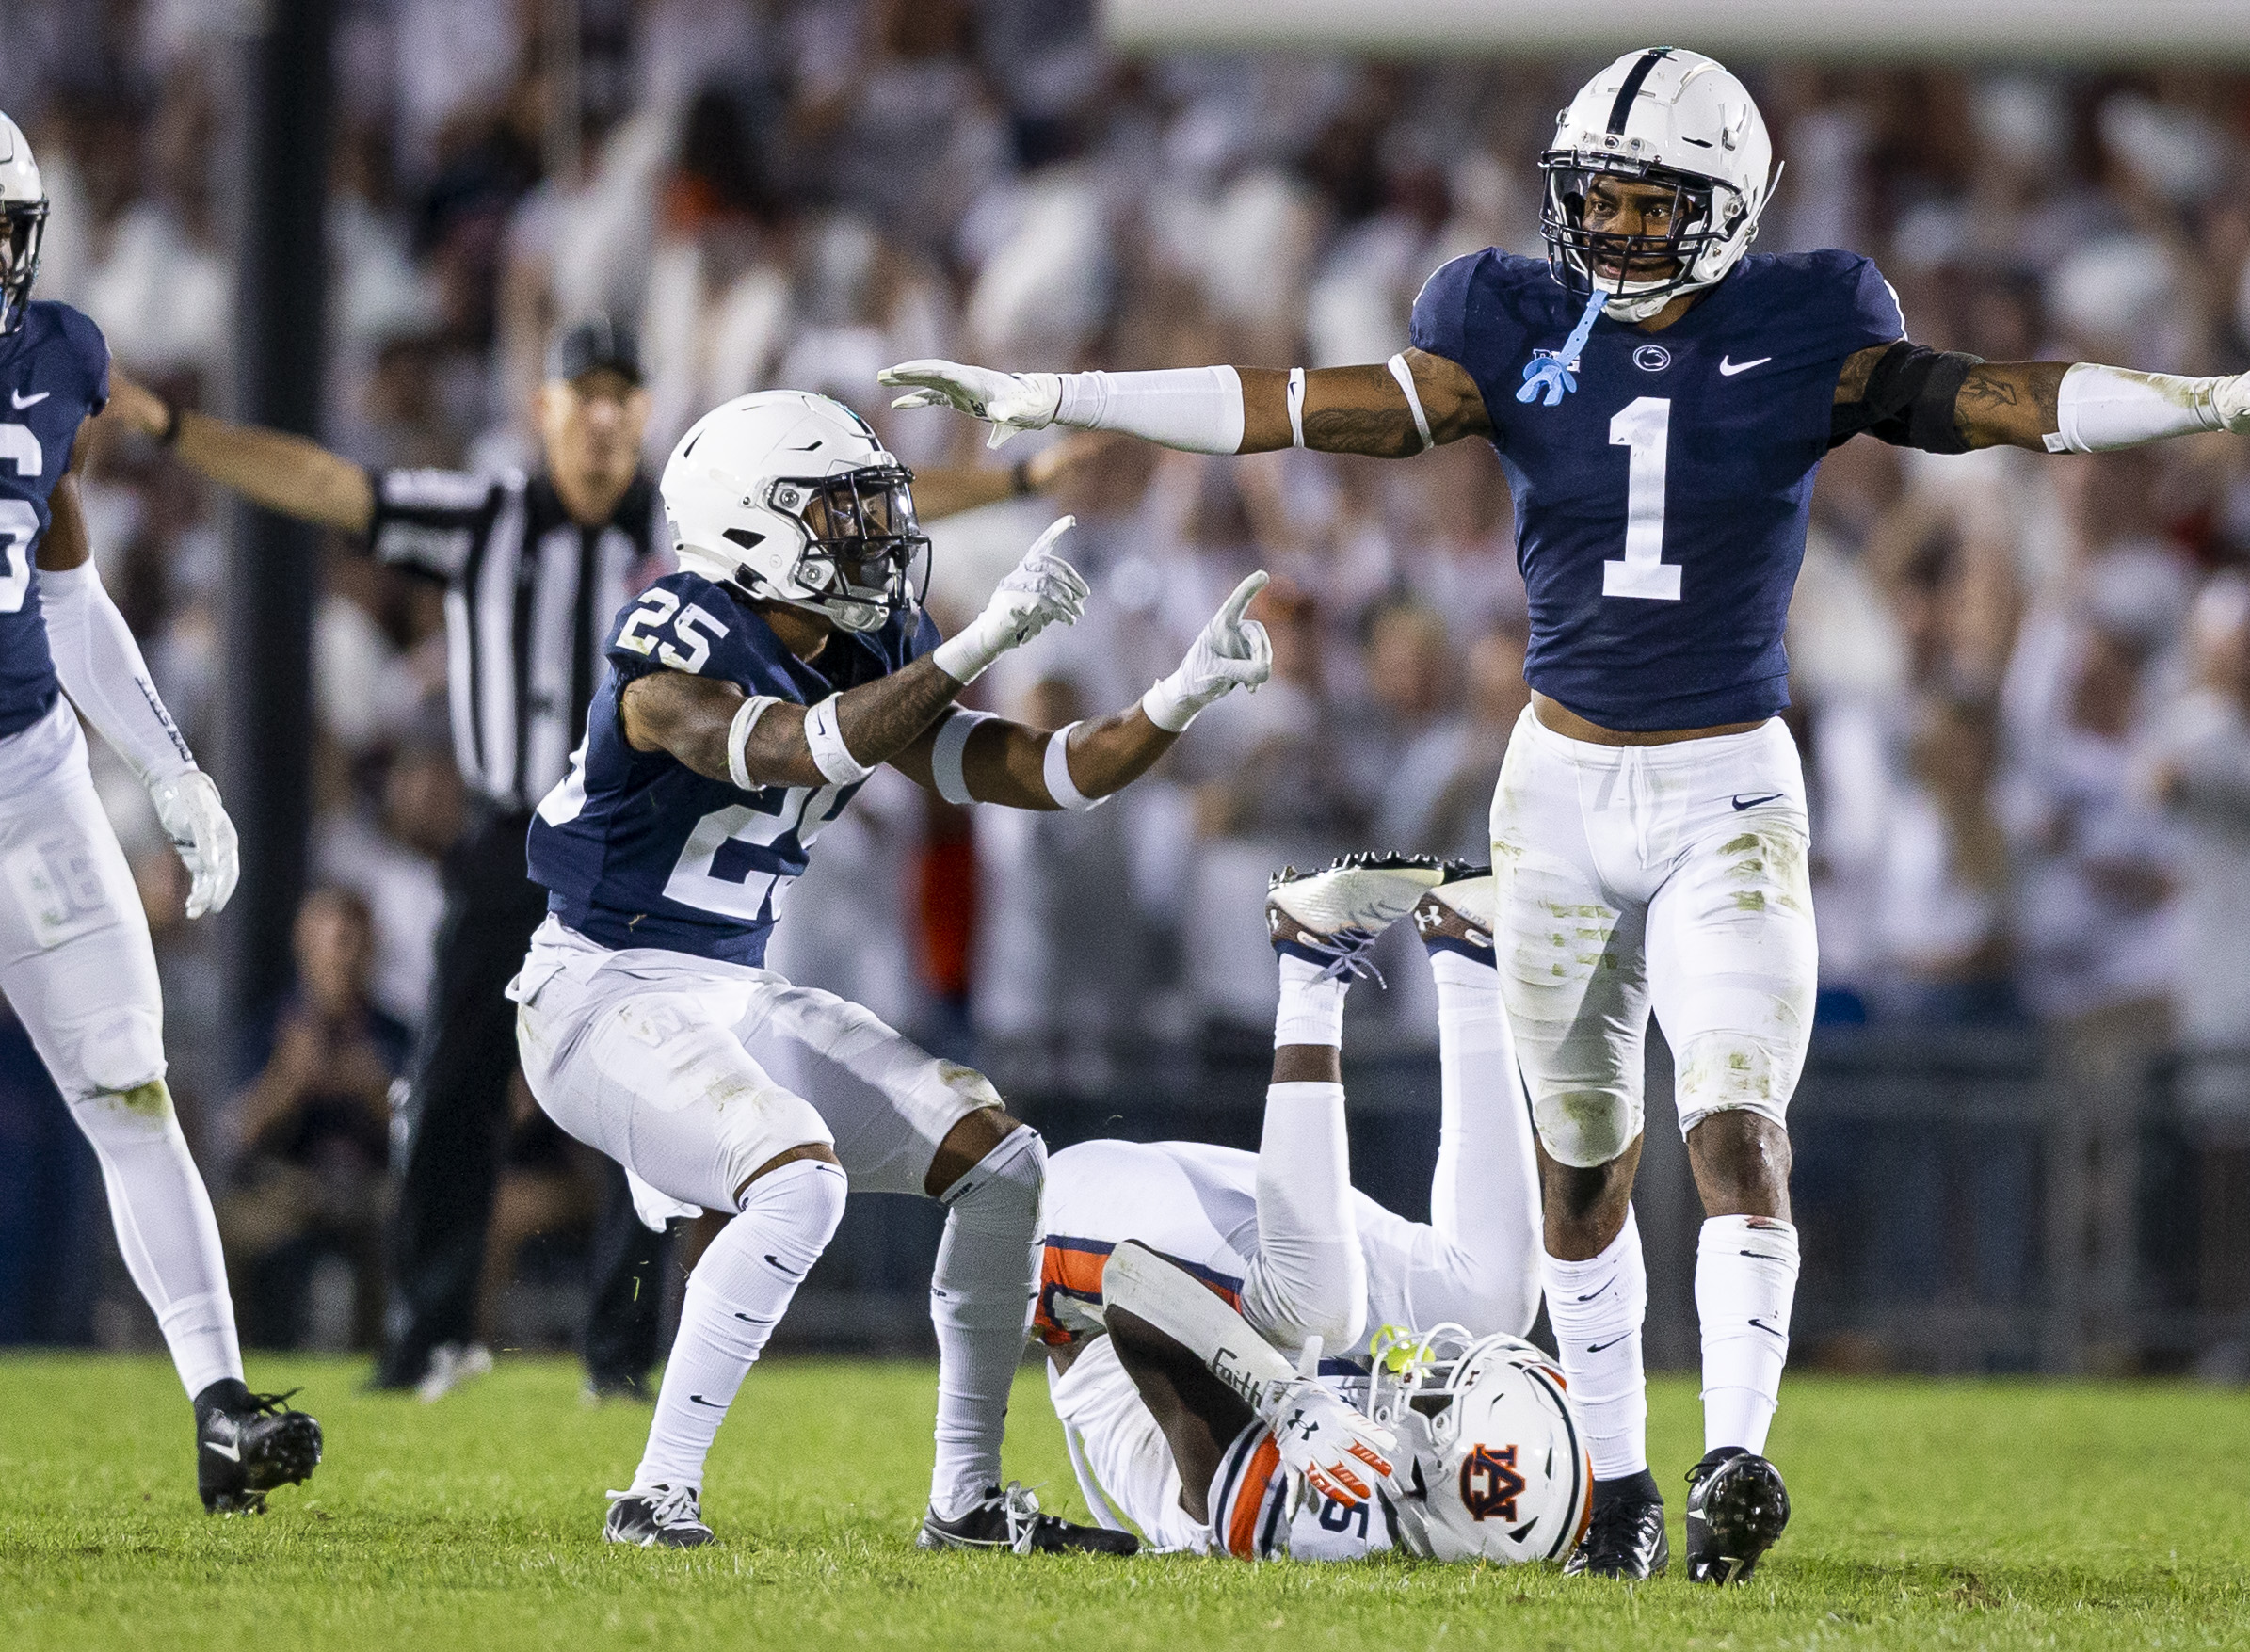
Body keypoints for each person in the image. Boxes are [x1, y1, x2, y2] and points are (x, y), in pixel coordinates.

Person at [879, 45, 2250, 1580]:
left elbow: (2006, 404)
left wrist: (2203, 399)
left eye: (1647, 207)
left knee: (1732, 1122)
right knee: (1580, 1172)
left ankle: (1733, 1457)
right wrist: (1055, 393)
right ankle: (1618, 1491)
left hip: (1724, 786)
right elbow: (1287, 409)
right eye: (1592, 201)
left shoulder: (1812, 322)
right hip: (1562, 788)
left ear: (1722, 209)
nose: (1611, 233)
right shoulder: (1504, 319)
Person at [110, 319, 1091, 1402]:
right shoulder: (491, 516)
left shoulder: (717, 523)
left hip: (664, 832)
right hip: (518, 833)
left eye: (626, 397)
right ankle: (433, 1329)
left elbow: (846, 511)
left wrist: (1016, 485)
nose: (607, 417)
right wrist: (171, 425)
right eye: (587, 395)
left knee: (667, 1114)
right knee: (452, 1083)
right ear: (546, 410)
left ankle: (620, 1353)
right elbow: (329, 483)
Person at [511, 388, 1272, 1549]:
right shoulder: (674, 636)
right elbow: (784, 747)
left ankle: (964, 1501)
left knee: (1003, 1161)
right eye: (838, 511)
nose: (871, 533)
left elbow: (1033, 772)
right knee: (797, 1178)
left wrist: (1172, 700)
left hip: (729, 992)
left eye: (872, 506)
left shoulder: (866, 643)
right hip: (596, 993)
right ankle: (654, 1493)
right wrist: (976, 644)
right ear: (750, 526)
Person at [0, 109, 320, 1510]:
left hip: (28, 784)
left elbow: (65, 581)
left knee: (131, 1086)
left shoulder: (55, 354)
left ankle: (219, 1404)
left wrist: (168, 763)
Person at [1037, 855, 1583, 1563]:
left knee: (1320, 1307)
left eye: (1442, 1407)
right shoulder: (1429, 1500)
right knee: (1494, 1298)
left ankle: (1312, 961)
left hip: (1076, 1272)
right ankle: (1468, 949)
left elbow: (1135, 1286)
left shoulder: (1293, 1521)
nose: (1434, 1377)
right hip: (1223, 1265)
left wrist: (1287, 1399)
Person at [221, 888, 410, 1350]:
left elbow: (427, 1143)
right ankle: (232, 1367)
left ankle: (393, 1361)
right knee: (226, 1231)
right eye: (333, 944)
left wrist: (375, 1092)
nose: (343, 959)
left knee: (409, 1226)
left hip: (370, 1190)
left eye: (354, 944)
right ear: (304, 948)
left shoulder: (395, 1033)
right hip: (289, 1187)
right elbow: (234, 1135)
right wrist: (285, 1083)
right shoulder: (269, 1026)